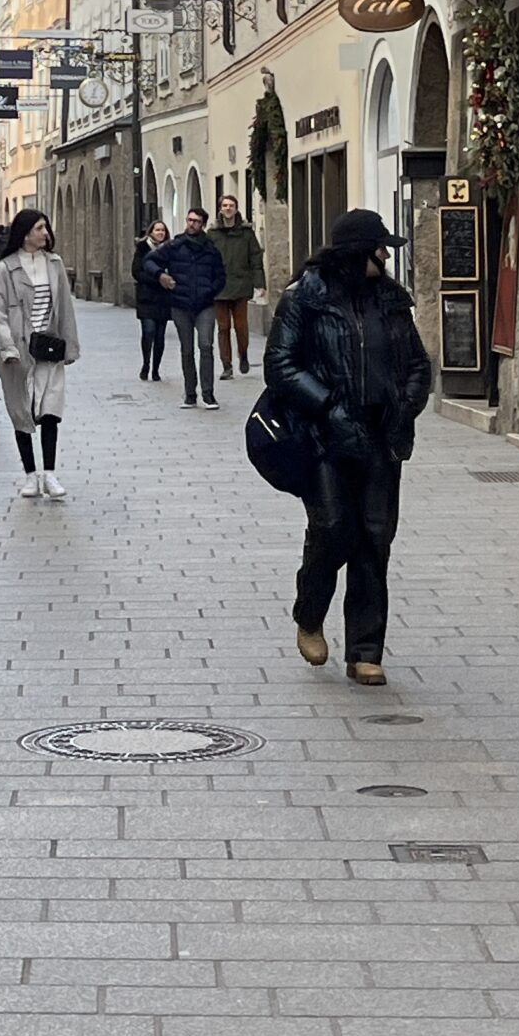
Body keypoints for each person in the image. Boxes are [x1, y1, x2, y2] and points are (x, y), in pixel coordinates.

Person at [263, 208, 431, 687]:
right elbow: (281, 365)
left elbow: (419, 362)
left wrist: (407, 403)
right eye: (380, 248)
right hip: (326, 439)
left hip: (382, 437)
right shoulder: (305, 298)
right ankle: (310, 610)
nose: (386, 256)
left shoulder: (390, 301)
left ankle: (364, 652)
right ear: (358, 253)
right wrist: (328, 407)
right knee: (334, 528)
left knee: (375, 540)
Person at [0, 209, 81, 499]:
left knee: (51, 410)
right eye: (40, 228)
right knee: (22, 412)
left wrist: (70, 345)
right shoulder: (4, 269)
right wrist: (7, 347)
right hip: (17, 351)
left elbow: (65, 307)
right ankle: (30, 475)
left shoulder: (54, 264)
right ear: (26, 232)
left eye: (46, 227)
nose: (46, 233)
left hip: (49, 348)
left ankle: (50, 474)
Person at [153, 206, 227, 409]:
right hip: (180, 304)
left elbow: (221, 275)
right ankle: (190, 394)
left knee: (205, 346)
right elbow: (149, 261)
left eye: (195, 221)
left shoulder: (211, 248)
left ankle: (208, 393)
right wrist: (161, 275)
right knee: (187, 349)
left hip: (204, 304)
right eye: (189, 220)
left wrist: (211, 291)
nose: (191, 224)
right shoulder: (175, 245)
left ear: (202, 224)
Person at [209, 193, 267, 379]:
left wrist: (259, 283)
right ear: (220, 208)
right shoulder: (213, 234)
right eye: (224, 205)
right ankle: (226, 365)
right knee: (223, 327)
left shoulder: (246, 233)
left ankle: (243, 354)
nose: (228, 208)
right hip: (219, 287)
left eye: (231, 205)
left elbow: (255, 258)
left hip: (241, 284)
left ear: (236, 208)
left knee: (241, 326)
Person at [132, 219, 174, 383]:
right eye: (157, 230)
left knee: (160, 335)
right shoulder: (142, 248)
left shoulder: (170, 250)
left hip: (163, 298)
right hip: (147, 297)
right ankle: (146, 364)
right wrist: (156, 279)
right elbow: (136, 271)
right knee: (148, 331)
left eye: (163, 231)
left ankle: (156, 368)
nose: (160, 233)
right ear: (151, 232)